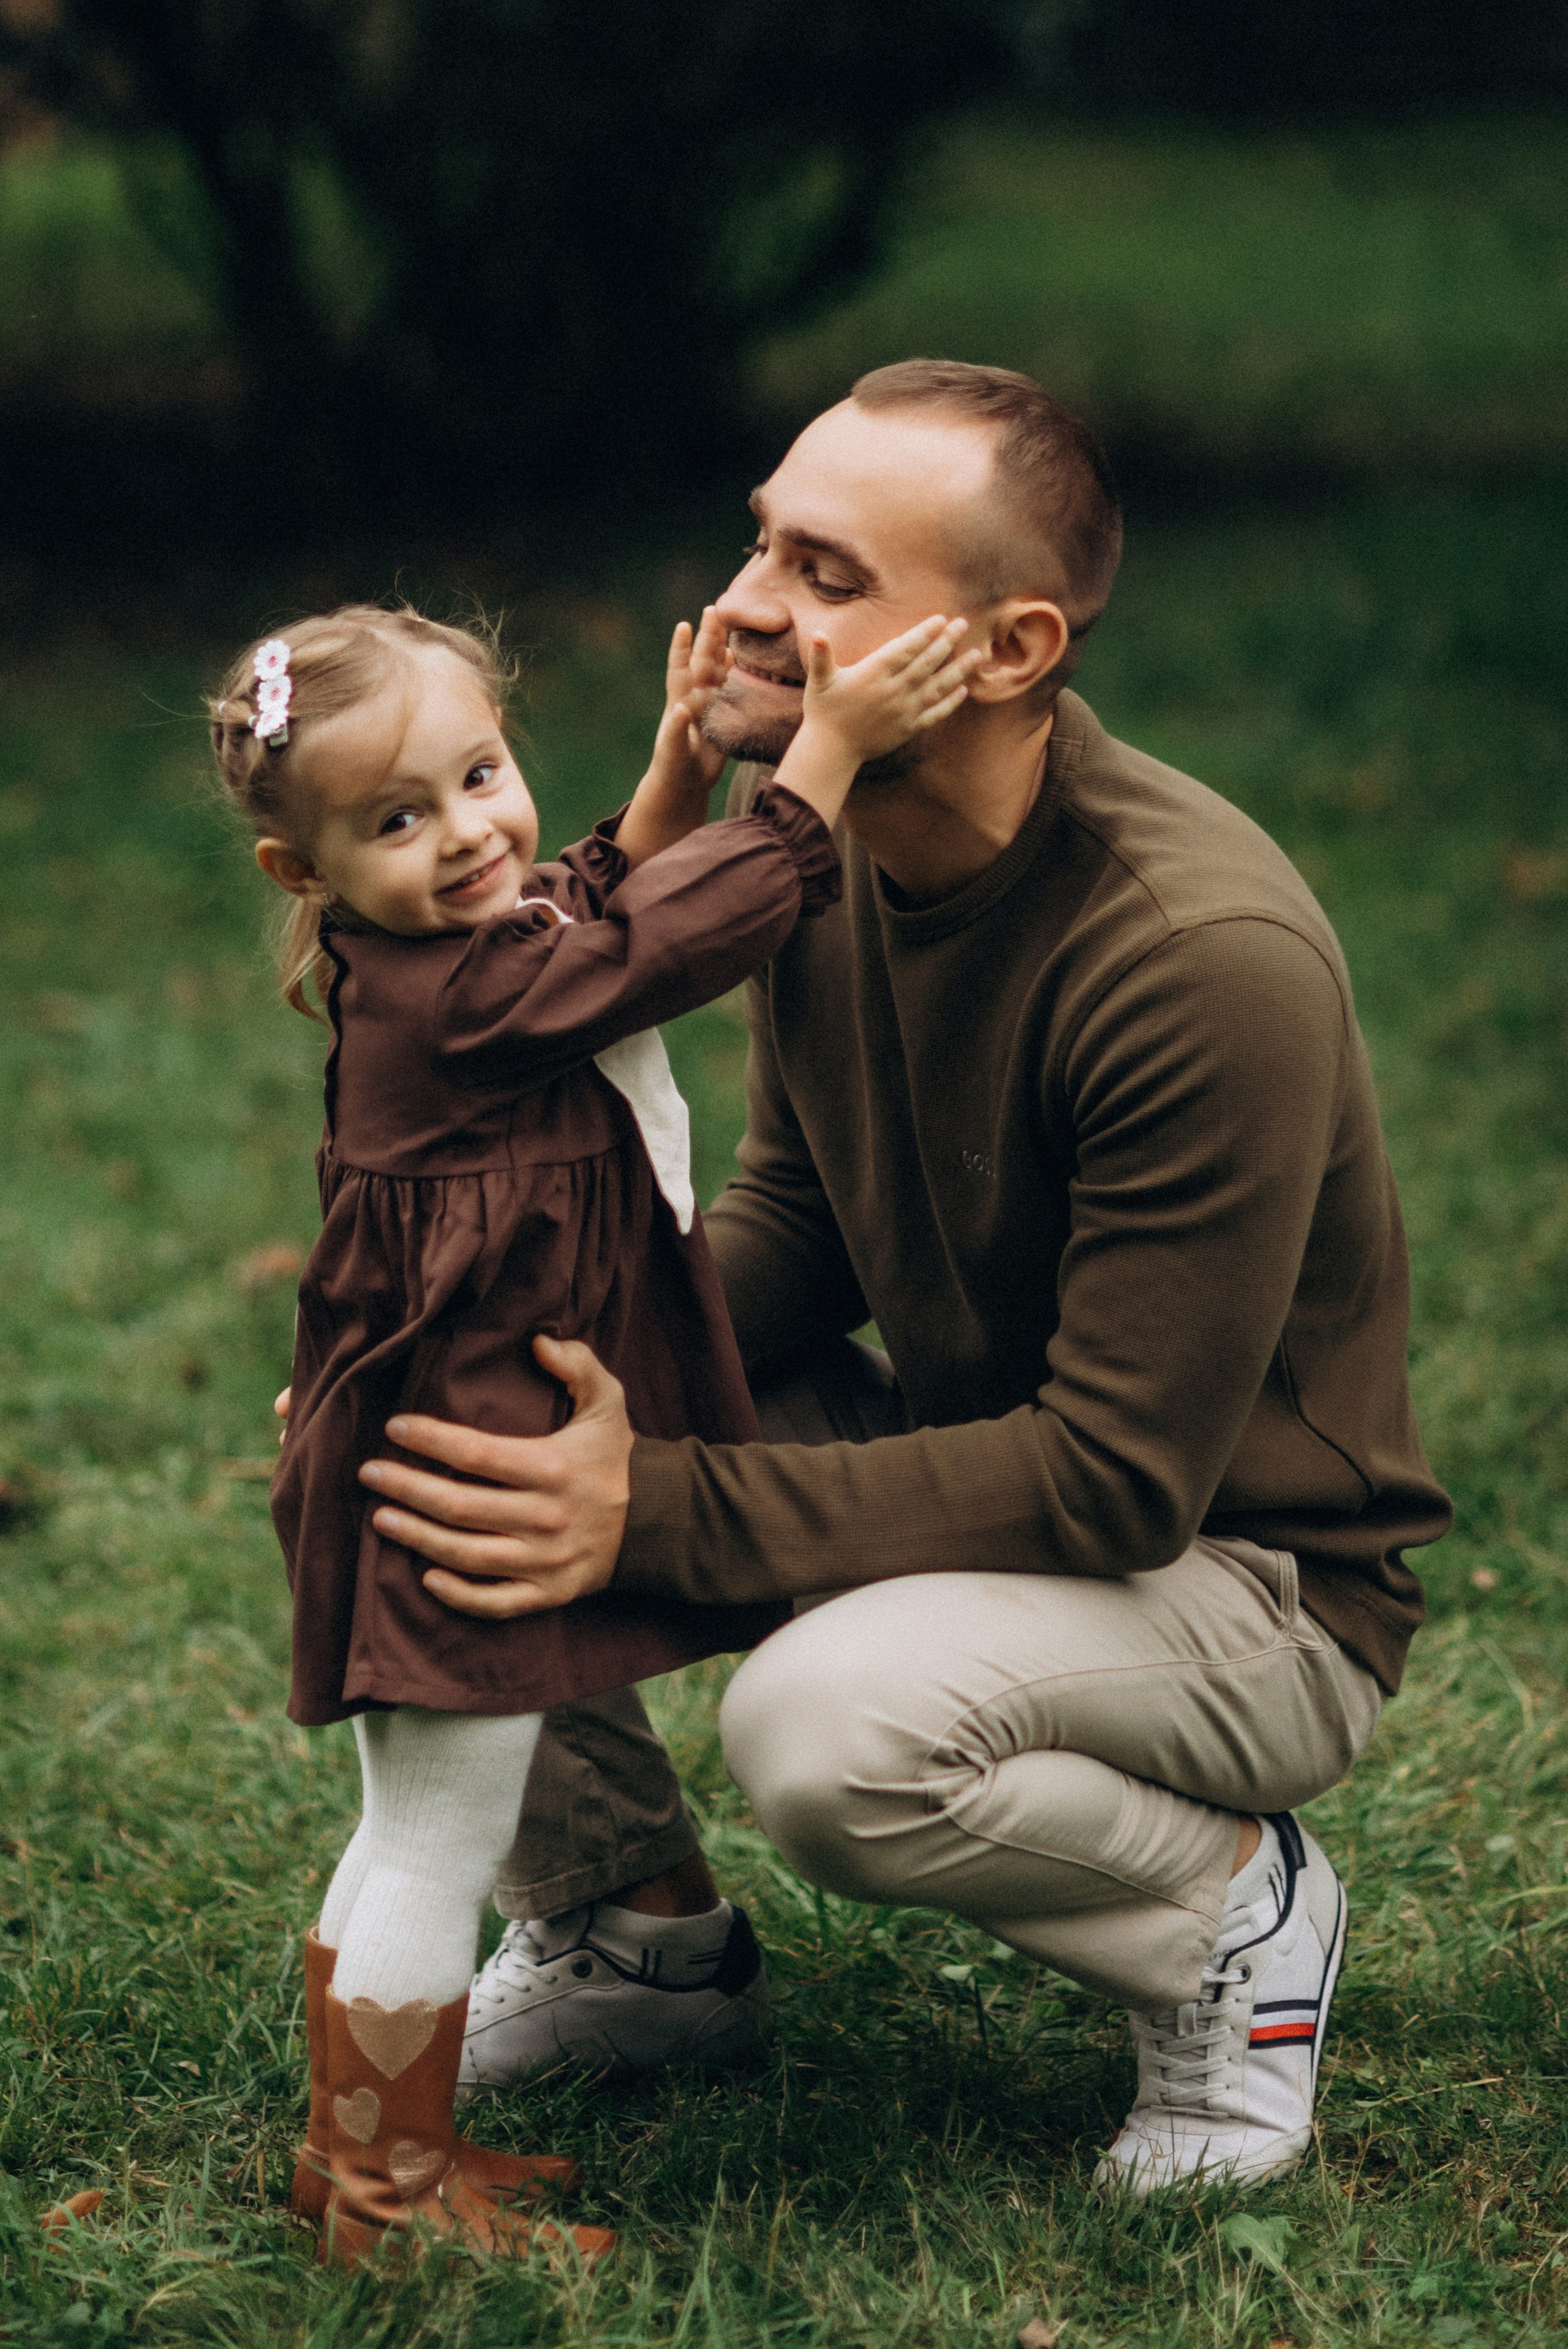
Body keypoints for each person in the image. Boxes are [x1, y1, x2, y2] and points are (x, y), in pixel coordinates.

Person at [335, 361, 1453, 2195]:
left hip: (1248, 1577)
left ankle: (1234, 1917)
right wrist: (494, 1364)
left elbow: (1114, 1477)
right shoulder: (827, 841)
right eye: (764, 540)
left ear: (1010, 648)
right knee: (429, 1433)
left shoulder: (1195, 957)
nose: (755, 604)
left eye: (832, 575)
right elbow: (804, 1215)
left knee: (829, 1732)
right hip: (994, 1464)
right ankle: (638, 1941)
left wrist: (650, 1508)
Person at [211, 594, 980, 2263]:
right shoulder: (461, 999)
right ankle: (388, 2197)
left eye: (480, 773)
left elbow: (586, 902)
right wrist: (815, 771)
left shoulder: (460, 948)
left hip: (431, 1434)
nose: (473, 833)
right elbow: (651, 949)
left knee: (402, 1820)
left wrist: (673, 765)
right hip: (464, 1471)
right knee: (433, 1830)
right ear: (307, 874)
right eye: (396, 820)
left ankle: (368, 2154)